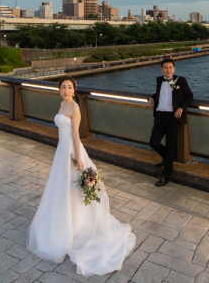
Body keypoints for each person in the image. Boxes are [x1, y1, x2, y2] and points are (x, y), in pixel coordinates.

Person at [26, 76, 136, 276]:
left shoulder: (74, 108)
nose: (66, 90)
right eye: (63, 87)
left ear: (74, 90)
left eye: (69, 87)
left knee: (72, 187)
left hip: (71, 151)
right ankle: (64, 221)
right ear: (59, 90)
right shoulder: (62, 104)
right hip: (62, 150)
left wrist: (78, 160)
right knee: (63, 188)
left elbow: (76, 135)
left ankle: (76, 226)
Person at [147, 58, 194, 186]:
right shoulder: (159, 79)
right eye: (165, 68)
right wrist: (152, 97)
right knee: (153, 142)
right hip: (160, 116)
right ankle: (168, 157)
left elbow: (189, 96)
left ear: (174, 69)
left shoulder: (180, 80)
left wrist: (181, 108)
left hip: (174, 117)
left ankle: (165, 175)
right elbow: (161, 93)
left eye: (170, 67)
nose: (168, 70)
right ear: (162, 69)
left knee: (170, 144)